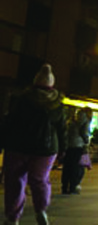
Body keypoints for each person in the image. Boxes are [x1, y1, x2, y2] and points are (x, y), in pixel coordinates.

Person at [3, 63, 66, 225]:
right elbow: (61, 129)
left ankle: (13, 217)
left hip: (18, 146)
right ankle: (41, 210)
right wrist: (62, 150)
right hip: (46, 149)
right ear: (52, 85)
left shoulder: (24, 99)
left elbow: (11, 122)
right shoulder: (58, 104)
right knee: (40, 180)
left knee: (15, 181)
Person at [61, 107, 91, 195]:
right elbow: (84, 133)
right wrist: (87, 142)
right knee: (77, 168)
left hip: (69, 146)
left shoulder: (72, 121)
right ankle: (73, 187)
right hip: (78, 146)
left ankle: (64, 186)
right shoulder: (85, 121)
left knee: (67, 167)